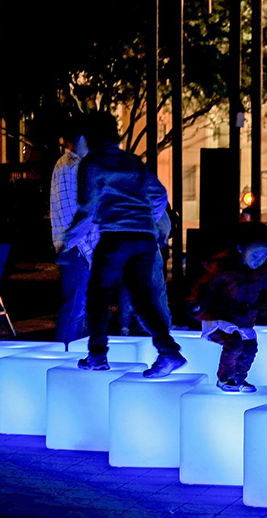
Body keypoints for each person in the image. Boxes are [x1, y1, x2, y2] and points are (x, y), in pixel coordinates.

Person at [66, 111, 185, 377]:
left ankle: (97, 355)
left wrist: (67, 242)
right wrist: (148, 222)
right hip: (143, 238)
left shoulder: (92, 163)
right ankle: (168, 351)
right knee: (142, 297)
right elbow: (159, 195)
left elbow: (87, 209)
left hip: (115, 236)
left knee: (98, 296)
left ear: (89, 137)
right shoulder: (132, 162)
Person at [187, 222, 267, 392]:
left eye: (264, 256)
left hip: (243, 321)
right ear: (240, 249)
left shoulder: (260, 271)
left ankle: (240, 379)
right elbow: (203, 290)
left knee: (249, 347)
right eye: (256, 255)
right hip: (219, 321)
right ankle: (224, 379)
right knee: (234, 342)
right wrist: (197, 308)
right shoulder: (221, 269)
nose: (260, 261)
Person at [50, 118, 96, 344]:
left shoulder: (75, 166)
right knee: (74, 311)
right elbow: (72, 217)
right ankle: (64, 358)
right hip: (77, 251)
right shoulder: (70, 167)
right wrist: (89, 252)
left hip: (77, 250)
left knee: (79, 311)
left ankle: (71, 360)